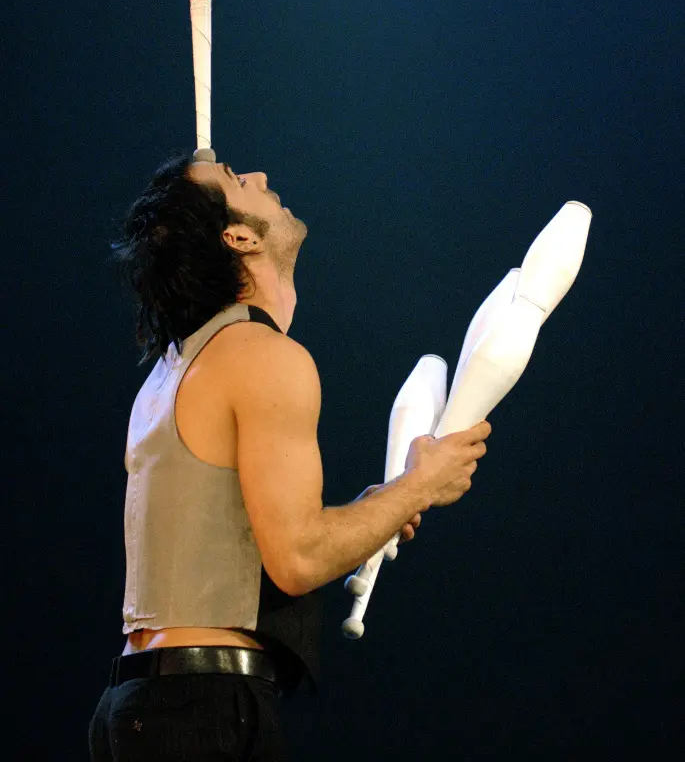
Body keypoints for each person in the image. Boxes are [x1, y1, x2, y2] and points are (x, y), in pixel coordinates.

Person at [88, 152, 491, 761]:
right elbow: (298, 559)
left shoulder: (180, 366)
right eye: (235, 180)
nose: (261, 178)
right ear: (240, 237)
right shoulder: (259, 355)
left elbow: (245, 536)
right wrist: (420, 486)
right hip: (201, 708)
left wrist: (378, 507)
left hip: (148, 702)